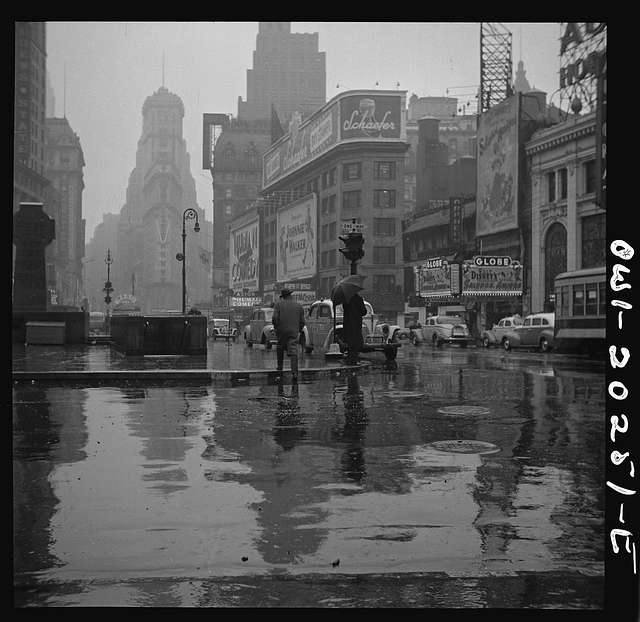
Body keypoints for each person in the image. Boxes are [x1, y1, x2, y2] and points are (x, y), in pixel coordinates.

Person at [272, 288, 305, 382]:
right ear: (290, 295)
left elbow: (275, 318)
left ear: (283, 297)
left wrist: (276, 326)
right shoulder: (298, 306)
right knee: (293, 350)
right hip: (293, 331)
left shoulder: (278, 305)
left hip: (281, 330)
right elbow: (302, 321)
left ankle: (280, 368)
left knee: (280, 347)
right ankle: (294, 372)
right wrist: (298, 329)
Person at [335, 290, 367, 365]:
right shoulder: (359, 299)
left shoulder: (346, 299)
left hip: (348, 325)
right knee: (356, 344)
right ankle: (353, 360)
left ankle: (350, 360)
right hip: (356, 325)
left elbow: (344, 309)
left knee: (350, 344)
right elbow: (364, 311)